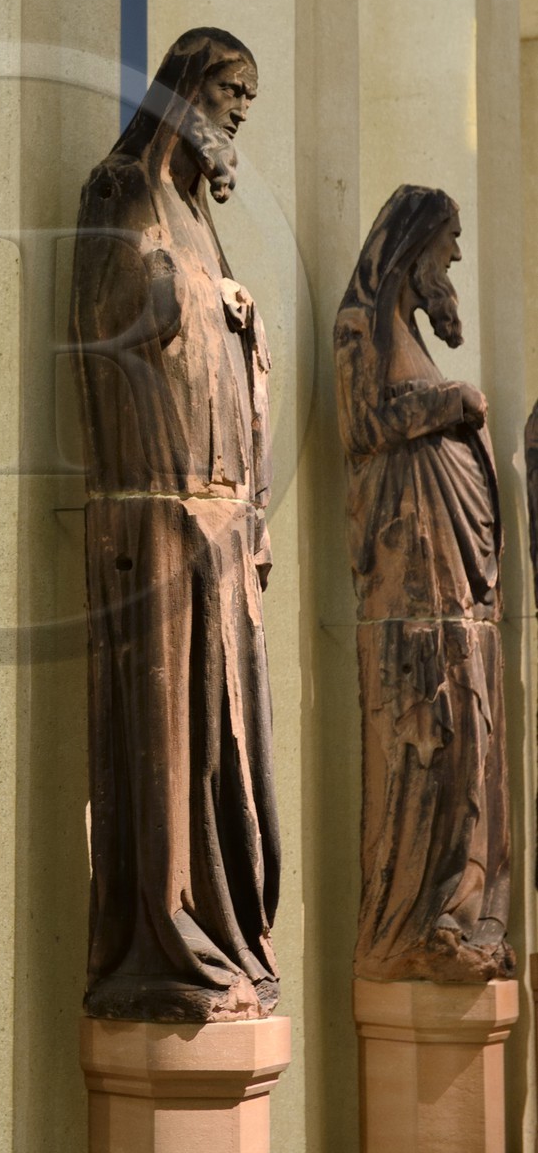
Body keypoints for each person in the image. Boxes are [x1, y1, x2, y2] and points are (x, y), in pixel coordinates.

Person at [70, 27, 281, 1023]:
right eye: (229, 90)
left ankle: (224, 928)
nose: (239, 110)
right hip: (154, 511)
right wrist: (193, 298)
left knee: (225, 747)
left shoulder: (198, 219)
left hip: (221, 521)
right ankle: (165, 932)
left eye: (248, 98)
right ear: (184, 90)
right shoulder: (121, 195)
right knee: (168, 740)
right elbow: (116, 331)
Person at [334, 185, 512, 981]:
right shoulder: (359, 328)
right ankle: (417, 918)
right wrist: (448, 401)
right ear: (412, 249)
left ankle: (461, 905)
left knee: (467, 733)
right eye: (447, 242)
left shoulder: (405, 334)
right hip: (410, 577)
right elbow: (361, 424)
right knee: (425, 727)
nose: (457, 258)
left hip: (454, 581)